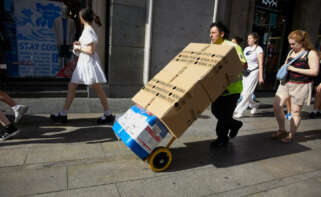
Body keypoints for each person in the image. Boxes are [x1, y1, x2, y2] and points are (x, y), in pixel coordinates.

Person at [50, 8, 115, 124]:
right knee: (72, 86)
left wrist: (78, 47)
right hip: (84, 64)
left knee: (97, 89)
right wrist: (77, 47)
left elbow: (90, 50)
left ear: (82, 18)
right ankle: (63, 114)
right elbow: (86, 49)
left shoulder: (89, 30)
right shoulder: (87, 30)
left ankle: (108, 114)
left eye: (79, 17)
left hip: (88, 64)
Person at [273, 30, 320, 143]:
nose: (291, 46)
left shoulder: (311, 53)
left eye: (294, 44)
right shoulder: (291, 52)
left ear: (302, 42)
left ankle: (291, 135)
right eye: (290, 43)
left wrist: (295, 69)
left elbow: (315, 72)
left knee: (295, 112)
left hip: (301, 86)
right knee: (276, 106)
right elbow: (285, 65)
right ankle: (282, 129)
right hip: (286, 83)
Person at [209, 22, 247, 148]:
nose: (211, 35)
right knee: (215, 111)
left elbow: (243, 64)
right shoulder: (213, 47)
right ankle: (235, 124)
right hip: (218, 89)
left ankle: (222, 139)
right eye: (210, 33)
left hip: (232, 89)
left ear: (222, 34)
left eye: (213, 32)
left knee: (224, 116)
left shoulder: (233, 46)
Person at [234, 32, 264, 118]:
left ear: (255, 39)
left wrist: (261, 77)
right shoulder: (246, 49)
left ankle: (239, 110)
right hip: (246, 72)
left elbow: (261, 64)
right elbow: (243, 61)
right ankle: (254, 105)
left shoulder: (259, 49)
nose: (248, 40)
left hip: (254, 72)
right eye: (248, 38)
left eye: (250, 38)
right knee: (244, 93)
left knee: (247, 92)